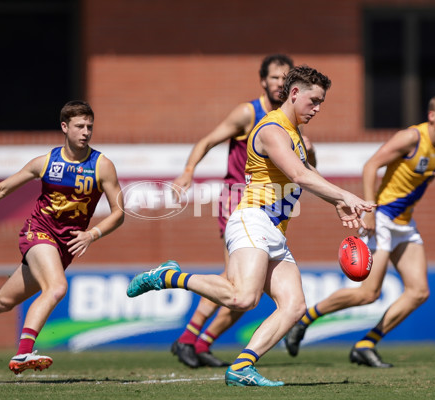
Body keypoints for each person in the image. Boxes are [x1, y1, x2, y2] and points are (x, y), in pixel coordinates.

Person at [127, 66, 375, 386]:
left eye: (321, 103)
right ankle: (165, 275)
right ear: (295, 93)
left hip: (275, 232)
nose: (317, 109)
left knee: (294, 305)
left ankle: (242, 366)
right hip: (252, 219)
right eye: (314, 101)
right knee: (243, 299)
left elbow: (306, 177)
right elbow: (300, 176)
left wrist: (338, 204)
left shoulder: (294, 133)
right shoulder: (272, 129)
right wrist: (347, 195)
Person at [0, 100, 125, 374]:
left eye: (89, 126)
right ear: (64, 127)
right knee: (57, 288)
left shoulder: (103, 165)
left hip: (65, 246)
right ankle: (23, 352)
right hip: (37, 232)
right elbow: (2, 188)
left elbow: (119, 213)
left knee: (4, 301)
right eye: (79, 126)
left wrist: (92, 234)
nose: (85, 132)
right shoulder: (46, 162)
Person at [284, 94, 435, 368]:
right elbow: (370, 165)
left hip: (404, 225)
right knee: (367, 294)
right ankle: (305, 319)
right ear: (432, 116)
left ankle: (366, 344)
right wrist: (368, 211)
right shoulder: (411, 138)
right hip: (381, 218)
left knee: (419, 292)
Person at [170, 54, 315, 369]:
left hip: (270, 209)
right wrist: (188, 172)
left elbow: (305, 169)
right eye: (274, 77)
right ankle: (188, 339)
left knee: (244, 288)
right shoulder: (250, 113)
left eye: (284, 77)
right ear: (263, 81)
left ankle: (198, 343)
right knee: (237, 284)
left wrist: (308, 150)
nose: (279, 82)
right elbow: (208, 140)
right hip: (239, 201)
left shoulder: (291, 122)